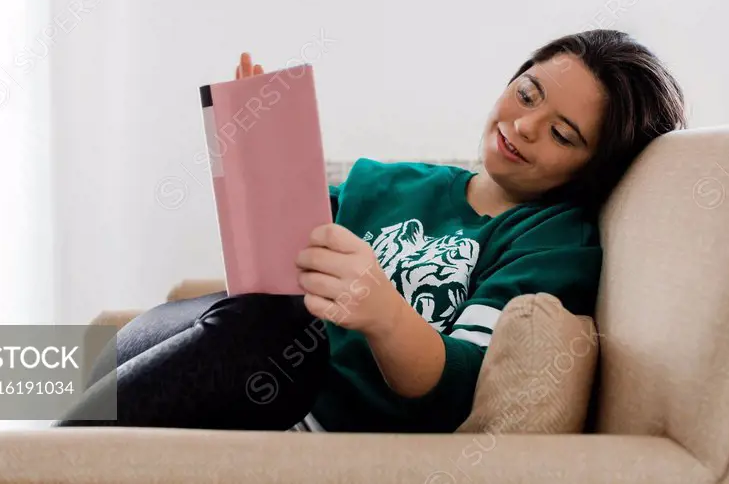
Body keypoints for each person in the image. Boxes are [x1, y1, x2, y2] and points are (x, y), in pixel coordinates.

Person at [55, 29, 686, 433]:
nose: (524, 126)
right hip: (247, 358)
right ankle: (46, 450)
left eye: (562, 133)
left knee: (269, 331)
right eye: (527, 94)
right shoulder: (390, 181)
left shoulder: (550, 241)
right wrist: (258, 156)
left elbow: (456, 388)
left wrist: (384, 313)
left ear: (594, 166)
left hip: (305, 404)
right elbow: (273, 262)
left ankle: (43, 460)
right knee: (193, 317)